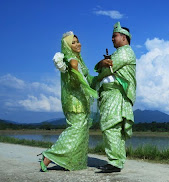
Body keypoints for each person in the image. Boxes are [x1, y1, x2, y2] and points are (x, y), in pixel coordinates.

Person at [39, 32, 98, 171]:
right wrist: (74, 65)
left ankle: (72, 161)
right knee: (75, 131)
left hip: (82, 101)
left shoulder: (79, 59)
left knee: (81, 132)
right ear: (67, 46)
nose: (78, 44)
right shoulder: (71, 58)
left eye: (78, 41)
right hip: (74, 102)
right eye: (73, 42)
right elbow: (72, 64)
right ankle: (49, 156)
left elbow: (88, 78)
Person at [92, 22, 136, 173]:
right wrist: (102, 64)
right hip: (111, 95)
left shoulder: (125, 52)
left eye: (114, 36)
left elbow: (106, 71)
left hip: (116, 94)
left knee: (111, 125)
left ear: (124, 37)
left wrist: (99, 67)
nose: (112, 39)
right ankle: (116, 160)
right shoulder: (119, 53)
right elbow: (105, 68)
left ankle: (115, 162)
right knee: (113, 126)